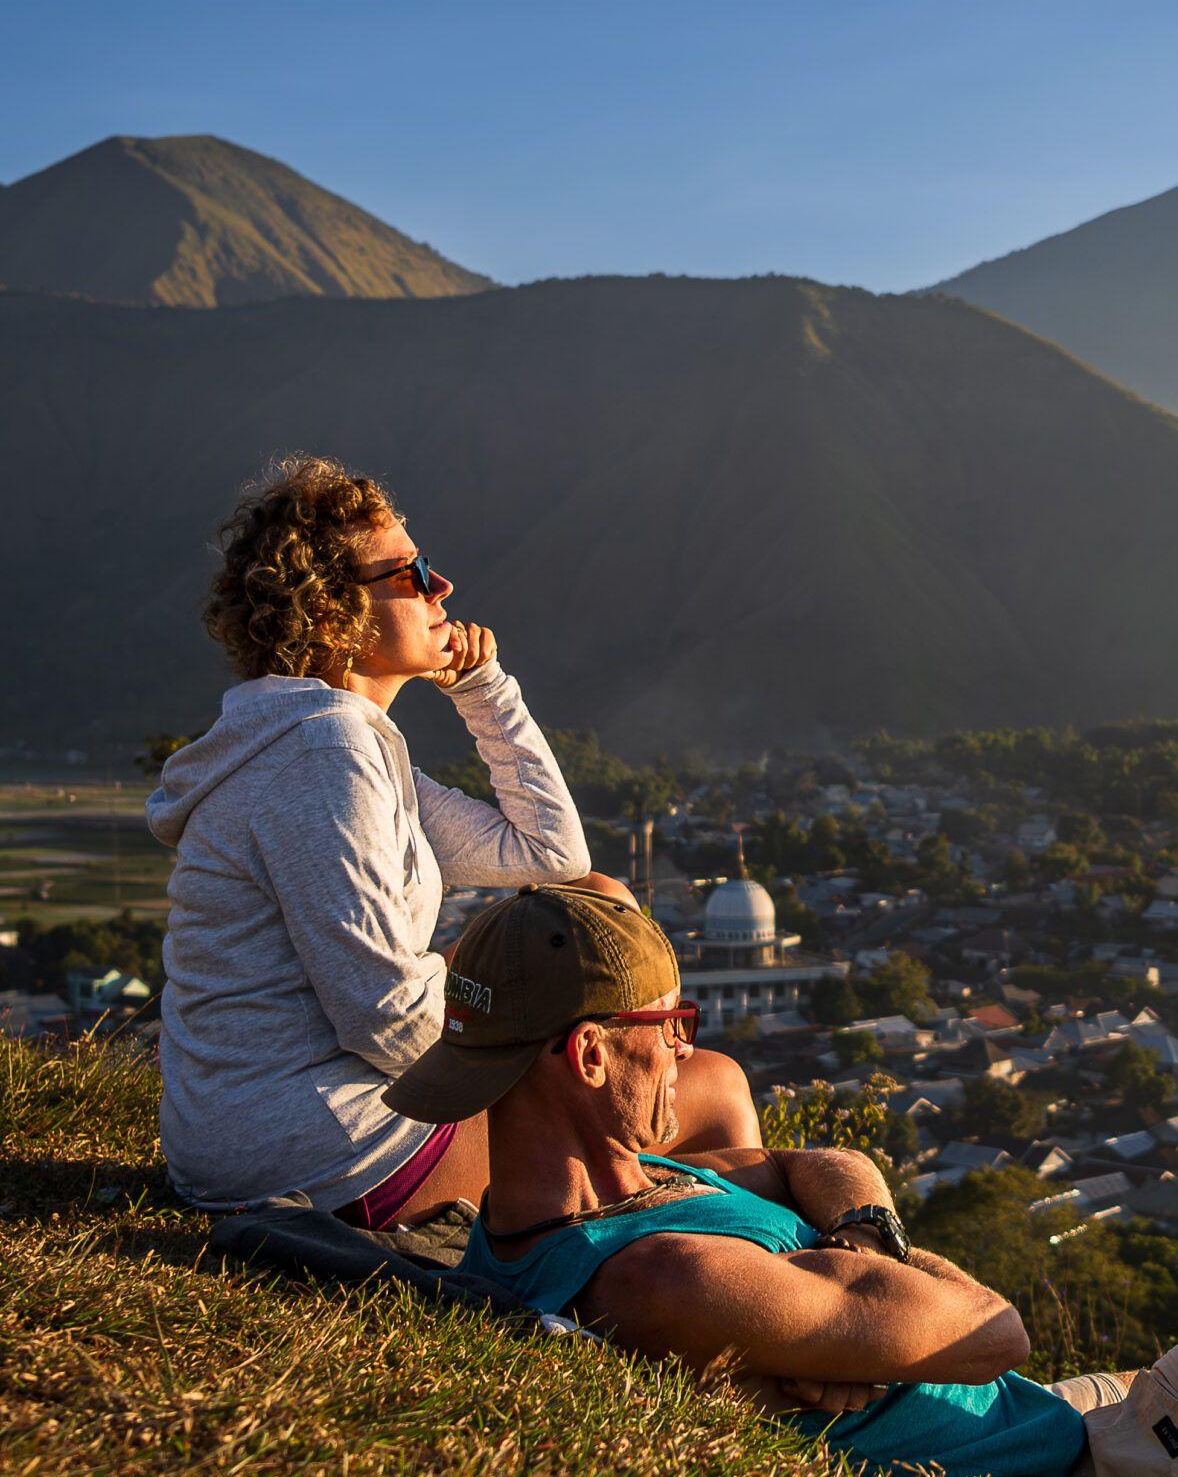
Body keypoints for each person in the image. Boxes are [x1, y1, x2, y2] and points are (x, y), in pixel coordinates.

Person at [394, 886, 1178, 1477]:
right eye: (670, 1027)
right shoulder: (663, 1275)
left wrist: (867, 1252)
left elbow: (822, 1158)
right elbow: (994, 1330)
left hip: (1054, 1422)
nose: (686, 1055)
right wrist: (893, 1286)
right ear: (586, 1054)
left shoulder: (627, 1180)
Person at [147, 455, 759, 1221]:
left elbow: (553, 858)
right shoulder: (321, 755)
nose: (442, 588)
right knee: (715, 1088)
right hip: (317, 1151)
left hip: (271, 1130)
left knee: (600, 904)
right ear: (334, 614)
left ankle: (678, 1243)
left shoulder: (341, 743)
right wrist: (536, 1050)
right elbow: (386, 1014)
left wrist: (485, 687)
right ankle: (681, 1278)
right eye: (409, 573)